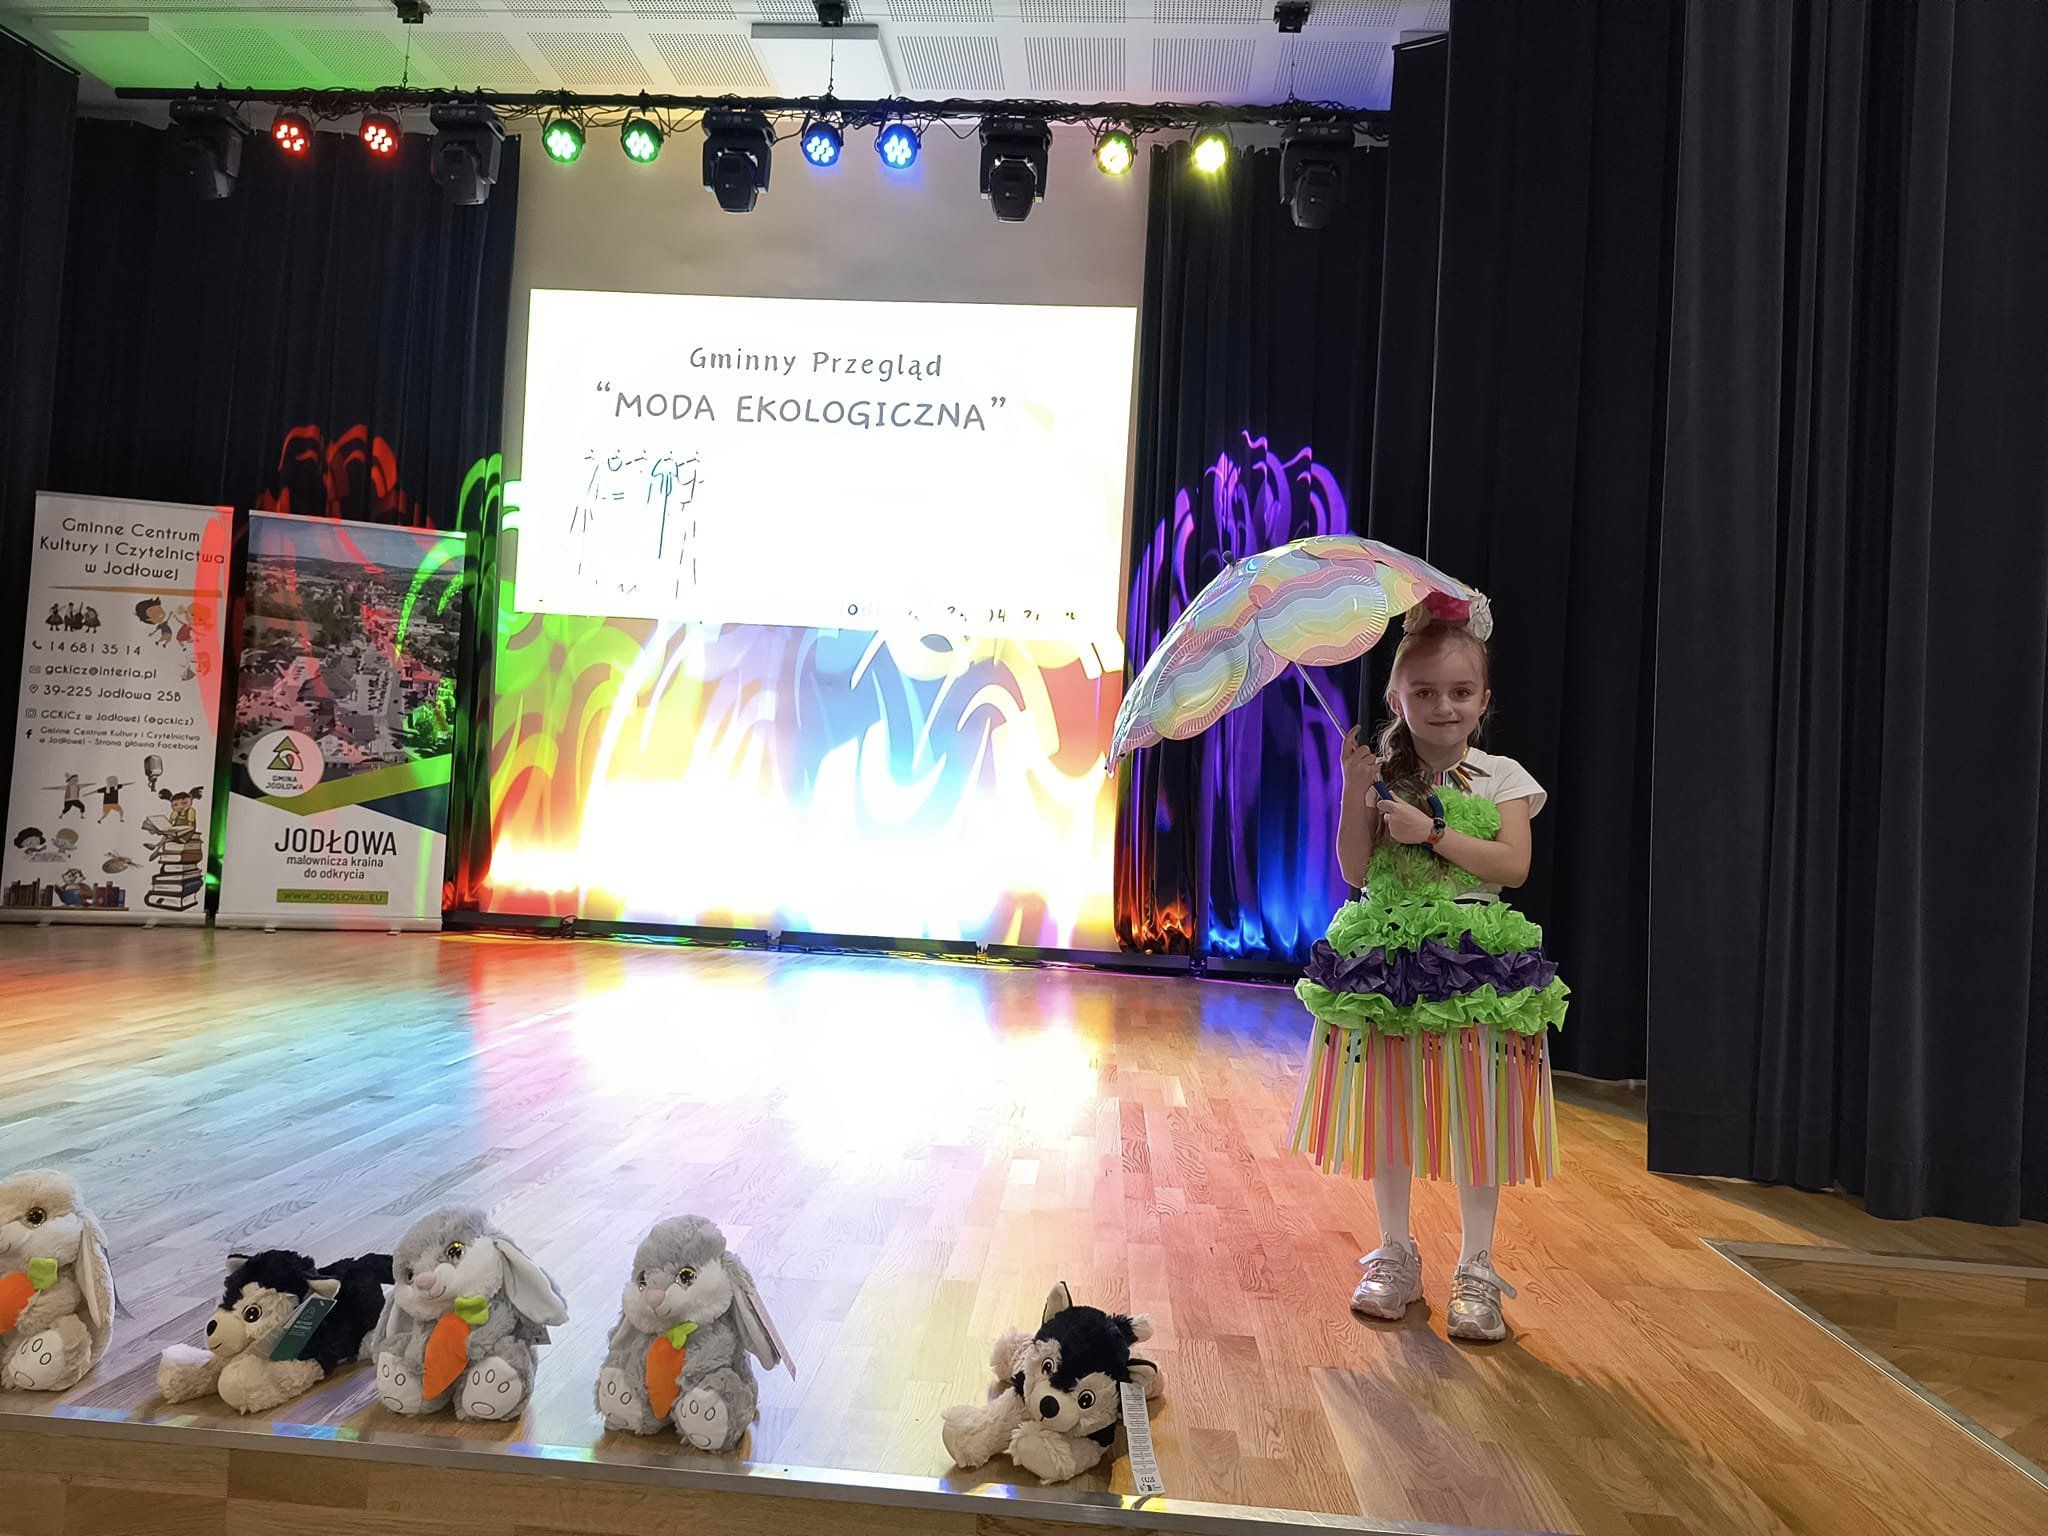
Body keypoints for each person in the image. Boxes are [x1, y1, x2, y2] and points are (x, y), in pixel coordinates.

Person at [1292, 595, 1566, 1343]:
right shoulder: (1382, 773)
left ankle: (1476, 1266)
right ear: (1396, 699)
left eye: (1460, 692)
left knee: (1481, 1113)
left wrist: (1434, 831)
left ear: (1484, 699)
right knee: (1391, 1109)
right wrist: (1354, 791)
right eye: (1425, 692)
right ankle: (1396, 1251)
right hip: (1390, 958)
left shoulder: (1503, 776)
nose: (1444, 707)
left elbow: (1512, 866)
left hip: (1477, 962)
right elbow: (1355, 869)